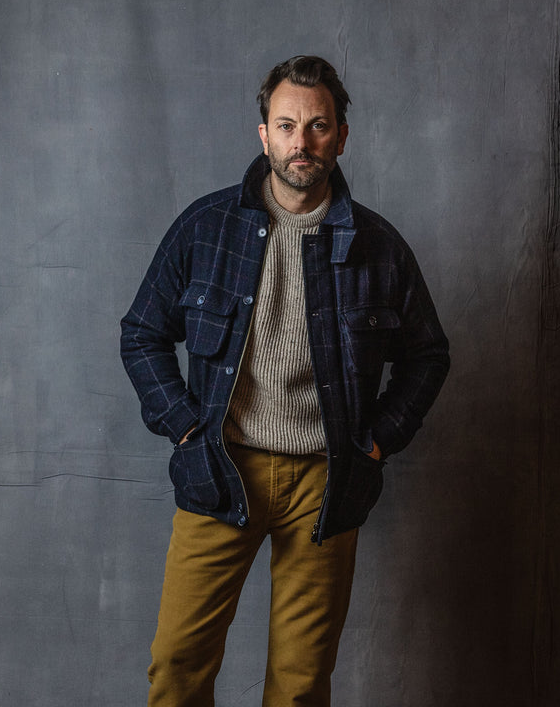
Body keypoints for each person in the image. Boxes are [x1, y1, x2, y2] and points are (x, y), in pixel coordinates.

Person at [120, 55, 450, 707]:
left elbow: (428, 355)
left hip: (326, 482)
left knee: (300, 687)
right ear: (264, 134)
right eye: (287, 125)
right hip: (221, 469)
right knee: (178, 667)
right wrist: (186, 428)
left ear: (341, 137)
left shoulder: (378, 247)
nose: (302, 141)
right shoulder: (206, 228)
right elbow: (142, 333)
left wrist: (377, 440)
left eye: (318, 125)